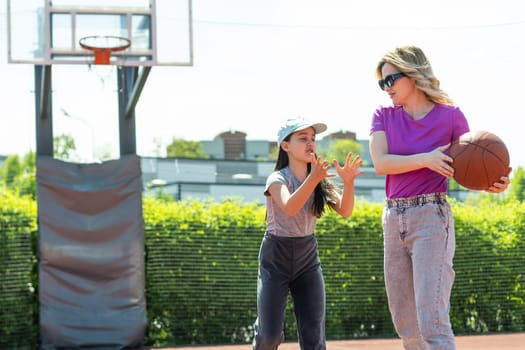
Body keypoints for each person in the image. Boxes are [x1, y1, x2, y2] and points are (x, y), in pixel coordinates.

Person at [369, 45, 511, 350]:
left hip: (431, 217)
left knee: (431, 319)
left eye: (390, 80)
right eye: (382, 83)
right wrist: (425, 158)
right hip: (393, 219)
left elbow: (468, 169)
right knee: (406, 324)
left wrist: (491, 183)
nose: (386, 88)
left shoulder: (451, 117)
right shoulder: (383, 116)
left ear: (414, 74)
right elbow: (381, 163)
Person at [252, 116, 363, 350]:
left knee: (314, 338)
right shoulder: (278, 178)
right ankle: (263, 331)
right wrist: (313, 178)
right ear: (285, 145)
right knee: (269, 337)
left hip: (307, 259)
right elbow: (290, 207)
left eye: (313, 138)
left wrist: (349, 182)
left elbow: (345, 211)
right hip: (276, 257)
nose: (310, 143)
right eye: (303, 138)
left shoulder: (318, 180)